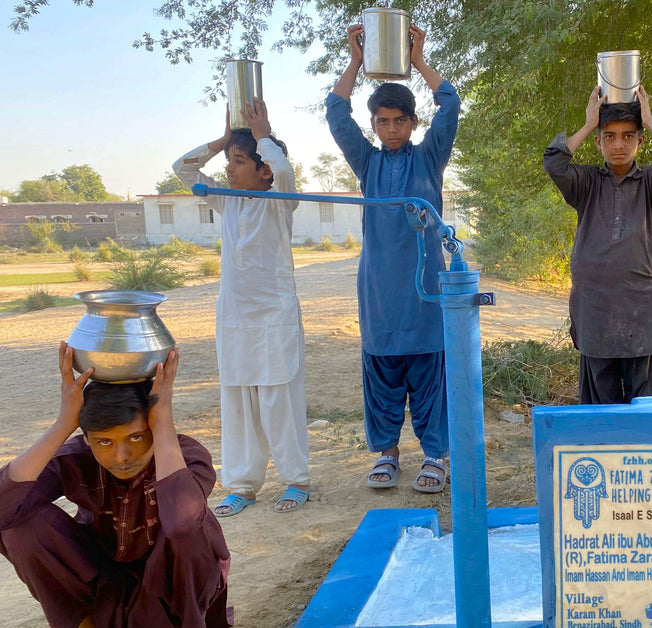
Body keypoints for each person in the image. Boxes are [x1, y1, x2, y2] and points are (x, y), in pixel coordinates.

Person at [0, 344, 232, 628]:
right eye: (104, 442)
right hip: (105, 579)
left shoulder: (187, 456)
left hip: (175, 578)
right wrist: (63, 424)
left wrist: (164, 423)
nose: (121, 457)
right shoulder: (76, 457)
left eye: (136, 437)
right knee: (20, 529)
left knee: (190, 527)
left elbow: (182, 522)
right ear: (88, 438)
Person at [326, 22, 459, 493]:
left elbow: (451, 104)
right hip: (379, 291)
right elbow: (335, 112)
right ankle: (387, 452)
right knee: (382, 369)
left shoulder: (430, 158)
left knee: (428, 370)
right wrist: (356, 60)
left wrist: (418, 60)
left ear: (413, 123)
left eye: (399, 121)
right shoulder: (368, 163)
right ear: (374, 126)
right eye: (382, 122)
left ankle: (435, 455)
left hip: (425, 291)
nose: (391, 129)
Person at [173, 98, 311, 516]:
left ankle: (296, 480)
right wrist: (223, 140)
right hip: (235, 319)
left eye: (238, 161)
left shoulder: (279, 200)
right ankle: (242, 486)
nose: (229, 170)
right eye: (228, 162)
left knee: (278, 400)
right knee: (238, 404)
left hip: (275, 318)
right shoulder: (226, 199)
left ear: (263, 170)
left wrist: (262, 136)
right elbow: (183, 169)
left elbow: (284, 171)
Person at [543, 86, 652, 405]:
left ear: (640, 141)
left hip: (642, 311)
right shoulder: (585, 182)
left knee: (644, 409)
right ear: (598, 142)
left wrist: (649, 120)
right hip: (594, 309)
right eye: (609, 136)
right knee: (600, 411)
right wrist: (589, 124)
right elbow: (554, 163)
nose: (619, 145)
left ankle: (639, 445)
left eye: (628, 136)